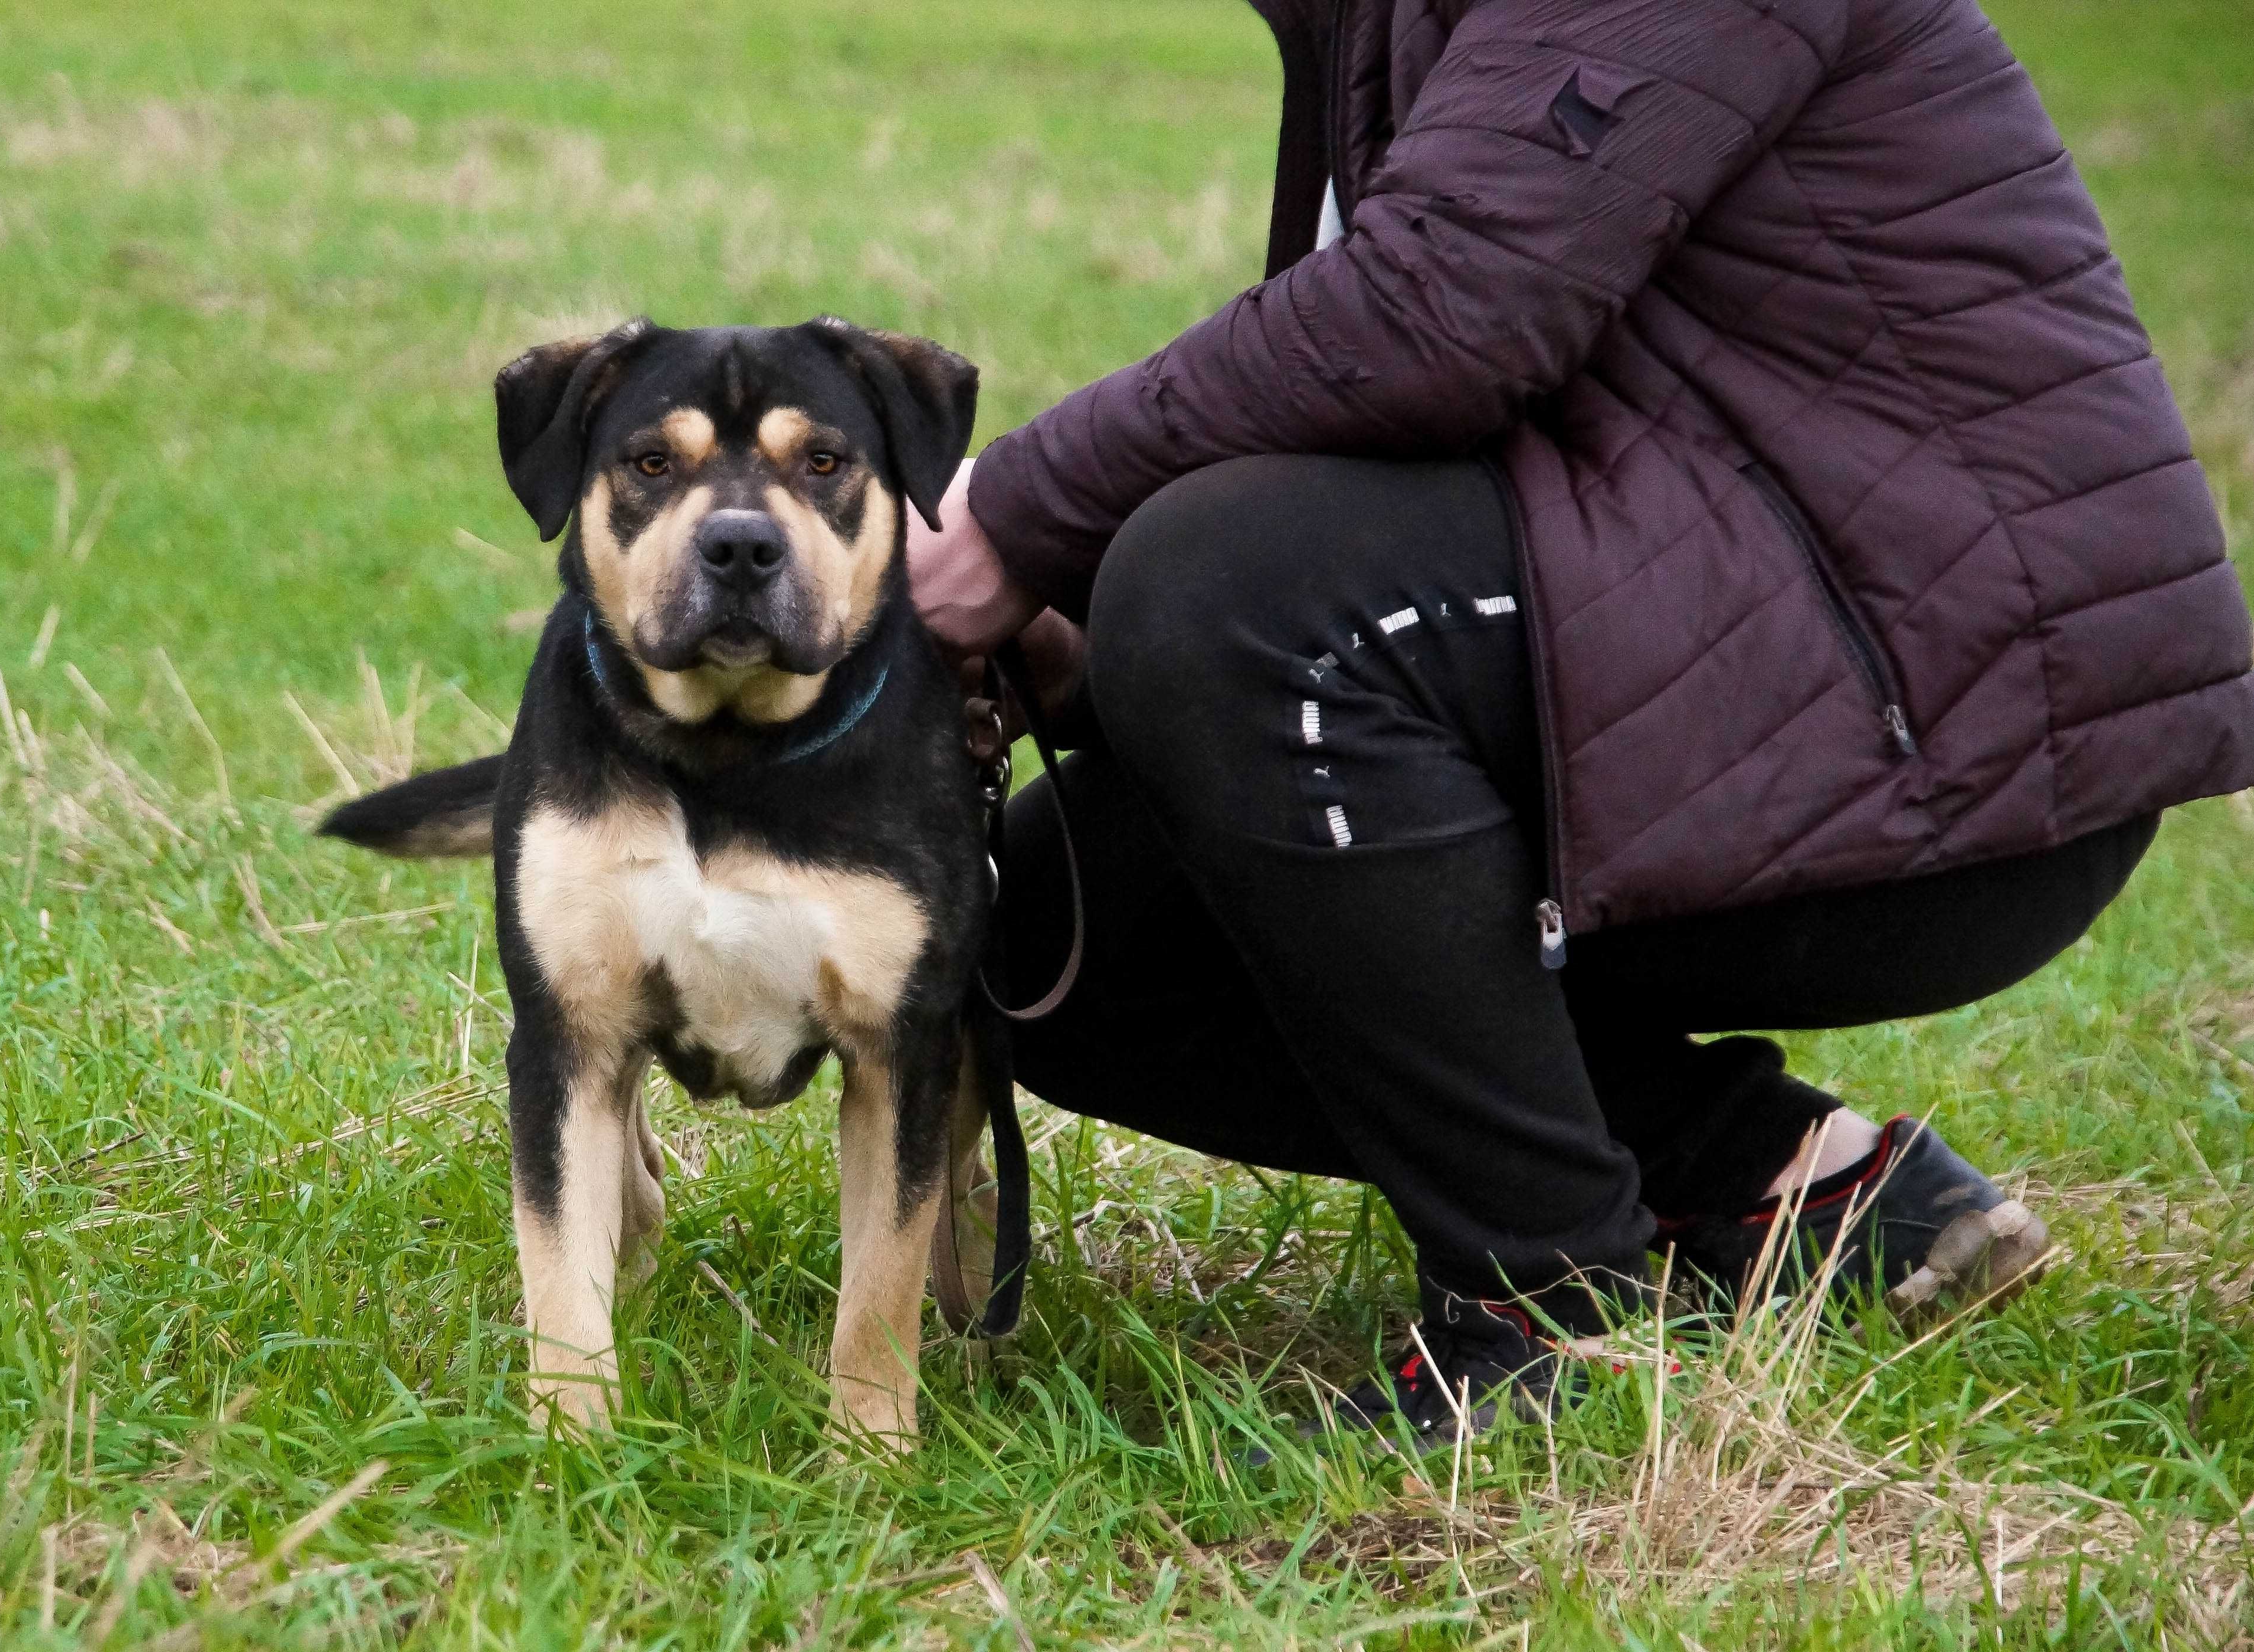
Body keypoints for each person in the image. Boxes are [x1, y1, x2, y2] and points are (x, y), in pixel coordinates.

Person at [905, 0, 2254, 1441]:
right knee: (1066, 927)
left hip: (1952, 697)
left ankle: (1542, 1320)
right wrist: (1094, 653)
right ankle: (1792, 1188)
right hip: (1758, 629)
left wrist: (1021, 514)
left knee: (1224, 592)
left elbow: (1444, 313)